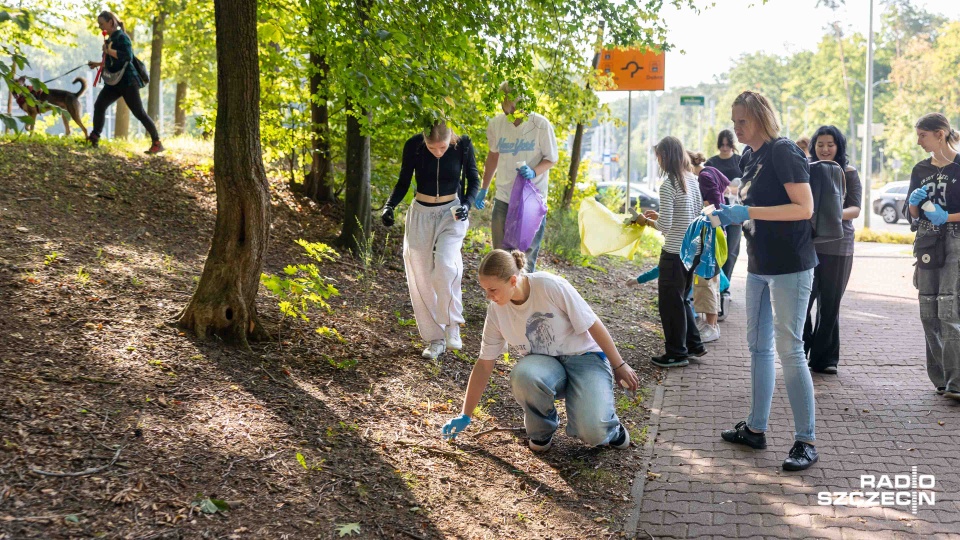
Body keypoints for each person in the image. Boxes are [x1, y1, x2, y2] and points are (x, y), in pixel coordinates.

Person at [711, 91, 819, 471]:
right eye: (734, 121)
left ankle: (806, 440)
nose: (736, 128)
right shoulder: (748, 157)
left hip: (791, 265)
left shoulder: (783, 151)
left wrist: (748, 211)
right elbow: (752, 207)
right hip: (758, 265)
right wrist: (728, 212)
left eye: (742, 121)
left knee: (790, 350)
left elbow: (804, 208)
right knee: (758, 348)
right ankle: (755, 428)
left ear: (759, 118)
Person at [440, 249, 640, 451]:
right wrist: (465, 414)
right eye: (485, 289)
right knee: (523, 375)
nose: (488, 296)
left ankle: (611, 428)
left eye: (492, 290)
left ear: (512, 280)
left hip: (585, 358)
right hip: (546, 366)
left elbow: (593, 324)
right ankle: (542, 430)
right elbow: (484, 363)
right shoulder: (496, 310)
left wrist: (619, 365)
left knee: (593, 432)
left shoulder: (549, 285)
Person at [381, 121, 479, 360]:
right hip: (421, 214)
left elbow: (473, 180)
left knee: (446, 264)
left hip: (452, 213)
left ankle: (452, 324)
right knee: (421, 274)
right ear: (424, 139)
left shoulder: (463, 144)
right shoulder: (413, 145)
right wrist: (389, 206)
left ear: (450, 138)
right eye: (431, 147)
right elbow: (404, 181)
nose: (438, 152)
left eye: (442, 147)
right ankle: (436, 339)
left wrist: (467, 205)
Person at [903, 113, 960, 400]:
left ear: (940, 134)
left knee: (948, 309)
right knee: (928, 310)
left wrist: (945, 216)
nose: (918, 142)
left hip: (955, 240)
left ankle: (956, 381)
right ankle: (940, 379)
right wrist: (915, 205)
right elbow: (910, 213)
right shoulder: (920, 169)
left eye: (922, 135)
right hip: (926, 240)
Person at [475, 82, 559, 272]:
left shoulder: (540, 125)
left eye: (515, 108)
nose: (511, 112)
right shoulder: (496, 124)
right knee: (500, 257)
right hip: (503, 199)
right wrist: (484, 188)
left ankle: (524, 290)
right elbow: (493, 156)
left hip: (531, 200)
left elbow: (551, 159)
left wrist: (534, 171)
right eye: (507, 107)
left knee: (525, 258)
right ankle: (502, 292)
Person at [639, 137, 704, 368]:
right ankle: (693, 344)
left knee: (670, 304)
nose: (658, 161)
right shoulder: (692, 180)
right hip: (692, 251)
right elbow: (692, 215)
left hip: (674, 252)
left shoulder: (669, 185)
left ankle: (676, 353)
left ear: (666, 156)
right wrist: (659, 217)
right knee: (682, 299)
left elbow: (665, 226)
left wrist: (646, 221)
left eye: (658, 156)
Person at [803, 125, 862, 374]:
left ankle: (824, 359)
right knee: (802, 302)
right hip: (808, 245)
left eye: (830, 144)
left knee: (830, 304)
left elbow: (855, 209)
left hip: (839, 245)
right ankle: (801, 349)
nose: (825, 149)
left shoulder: (849, 172)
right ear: (813, 146)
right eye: (820, 145)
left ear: (839, 146)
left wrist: (831, 214)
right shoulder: (805, 169)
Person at [86, 11, 163, 154]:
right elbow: (113, 62)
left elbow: (127, 57)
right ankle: (94, 137)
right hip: (114, 82)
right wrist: (97, 64)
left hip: (128, 81)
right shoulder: (110, 38)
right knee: (100, 105)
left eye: (101, 24)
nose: (100, 27)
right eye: (99, 24)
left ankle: (157, 143)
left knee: (139, 112)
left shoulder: (122, 37)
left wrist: (109, 51)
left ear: (110, 22)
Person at [689, 151, 730, 343]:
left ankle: (711, 326)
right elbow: (725, 186)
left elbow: (714, 203)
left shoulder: (704, 176)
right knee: (709, 280)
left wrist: (702, 206)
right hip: (717, 232)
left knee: (706, 281)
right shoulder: (711, 171)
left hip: (711, 234)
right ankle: (709, 324)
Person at [706, 129, 743, 321]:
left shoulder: (739, 161)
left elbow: (747, 185)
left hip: (735, 213)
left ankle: (725, 287)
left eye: (728, 144)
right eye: (722, 144)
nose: (725, 147)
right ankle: (716, 286)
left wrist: (733, 189)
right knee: (716, 250)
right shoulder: (711, 162)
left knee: (732, 251)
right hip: (717, 213)